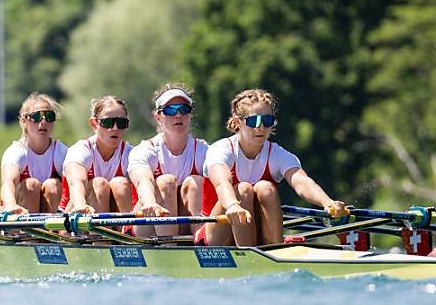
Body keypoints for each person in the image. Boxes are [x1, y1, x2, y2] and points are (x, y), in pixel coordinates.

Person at [202, 88, 345, 246]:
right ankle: (250, 256)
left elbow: (302, 181)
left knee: (266, 188)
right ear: (237, 122)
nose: (261, 127)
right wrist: (232, 205)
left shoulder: (277, 154)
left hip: (257, 233)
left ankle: (274, 251)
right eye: (253, 121)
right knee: (243, 190)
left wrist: (328, 203)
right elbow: (221, 182)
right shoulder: (221, 149)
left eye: (267, 120)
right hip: (216, 233)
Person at [128, 83, 209, 237]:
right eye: (170, 110)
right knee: (166, 182)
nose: (178, 115)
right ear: (158, 117)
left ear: (190, 115)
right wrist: (150, 202)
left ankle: (202, 248)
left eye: (184, 109)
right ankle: (168, 246)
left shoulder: (204, 151)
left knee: (195, 181)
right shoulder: (146, 150)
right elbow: (142, 181)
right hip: (147, 225)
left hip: (184, 226)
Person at [59, 96, 134, 214]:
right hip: (75, 217)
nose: (115, 128)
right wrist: (80, 204)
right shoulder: (80, 150)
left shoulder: (131, 153)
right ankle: (100, 230)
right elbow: (76, 181)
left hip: (116, 220)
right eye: (108, 122)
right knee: (99, 184)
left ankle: (126, 230)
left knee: (120, 183)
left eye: (121, 123)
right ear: (94, 124)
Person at [0, 93, 68, 214]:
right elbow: (8, 182)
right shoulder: (16, 152)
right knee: (31, 185)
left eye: (49, 116)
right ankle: (22, 231)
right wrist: (10, 204)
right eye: (37, 117)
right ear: (23, 121)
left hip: (53, 218)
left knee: (53, 185)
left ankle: (56, 232)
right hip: (17, 215)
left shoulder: (61, 152)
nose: (43, 121)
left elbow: (75, 184)